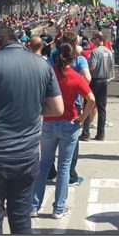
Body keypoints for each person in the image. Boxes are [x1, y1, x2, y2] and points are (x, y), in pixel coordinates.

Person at [0, 25, 63, 234]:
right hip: (27, 155)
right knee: (21, 219)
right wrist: (34, 107)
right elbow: (57, 108)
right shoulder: (42, 65)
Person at [31, 43, 95, 219]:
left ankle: (34, 205)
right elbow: (91, 99)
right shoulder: (75, 77)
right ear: (73, 58)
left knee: (44, 165)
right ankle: (59, 208)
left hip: (49, 122)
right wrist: (82, 118)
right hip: (69, 122)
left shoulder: (48, 72)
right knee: (64, 167)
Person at [81, 32, 114, 141]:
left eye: (94, 39)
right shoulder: (109, 52)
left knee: (87, 105)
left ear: (98, 39)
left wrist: (85, 69)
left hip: (94, 80)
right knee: (102, 108)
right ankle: (101, 133)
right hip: (104, 80)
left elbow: (93, 66)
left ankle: (85, 133)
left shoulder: (95, 51)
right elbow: (111, 66)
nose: (92, 41)